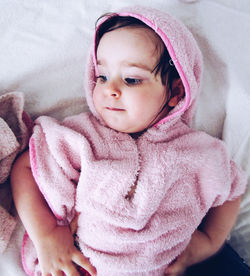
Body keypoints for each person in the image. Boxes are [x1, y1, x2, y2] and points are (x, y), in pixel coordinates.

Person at [11, 5, 247, 276]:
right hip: (86, 263)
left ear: (175, 91)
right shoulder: (82, 136)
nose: (110, 89)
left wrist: (207, 243)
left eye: (131, 79)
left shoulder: (198, 153)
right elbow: (25, 167)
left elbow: (232, 189)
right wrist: (47, 235)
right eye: (102, 76)